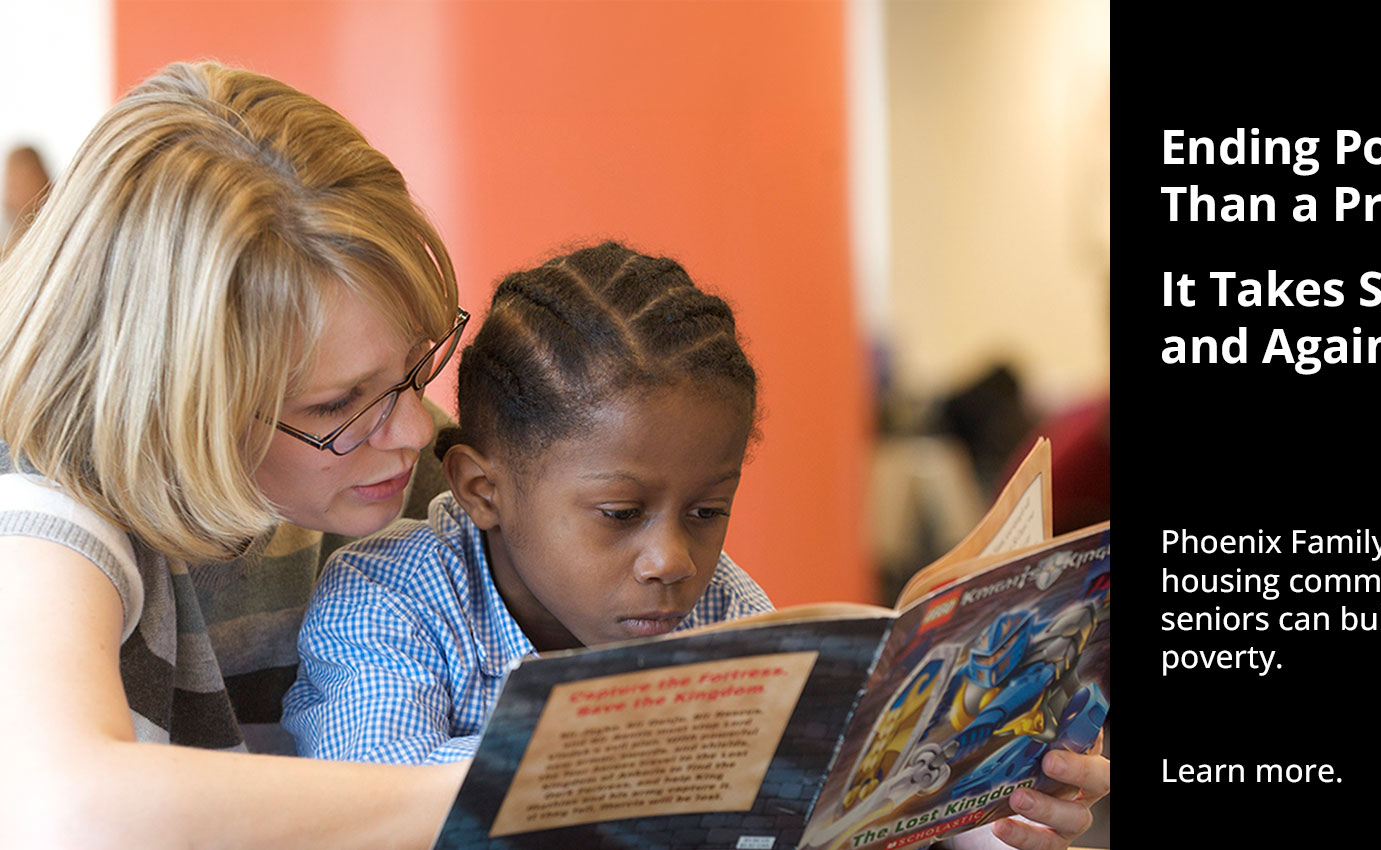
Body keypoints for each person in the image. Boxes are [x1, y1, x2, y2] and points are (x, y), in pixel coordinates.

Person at [285, 242, 1108, 849]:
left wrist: (978, 813)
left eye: (709, 510)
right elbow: (379, 799)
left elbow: (815, 796)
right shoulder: (387, 595)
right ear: (481, 491)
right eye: (618, 512)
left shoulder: (720, 608)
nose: (671, 559)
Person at [0, 61, 467, 847]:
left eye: (412, 372)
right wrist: (505, 792)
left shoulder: (403, 470)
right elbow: (62, 806)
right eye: (334, 404)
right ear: (183, 404)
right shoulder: (44, 496)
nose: (415, 431)